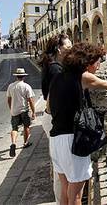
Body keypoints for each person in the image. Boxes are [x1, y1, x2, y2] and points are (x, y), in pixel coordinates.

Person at [49, 43, 107, 205]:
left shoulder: (57, 77)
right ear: (87, 62)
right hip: (72, 141)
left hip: (56, 140)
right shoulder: (83, 77)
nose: (99, 65)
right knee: (76, 194)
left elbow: (48, 107)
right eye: (98, 61)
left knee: (65, 189)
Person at [39, 34, 72, 204]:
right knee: (62, 170)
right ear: (59, 49)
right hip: (54, 118)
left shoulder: (52, 66)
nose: (71, 48)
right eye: (68, 46)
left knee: (59, 166)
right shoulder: (56, 69)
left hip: (51, 117)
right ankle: (61, 201)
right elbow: (54, 97)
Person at [6, 68, 36, 157]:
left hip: (14, 111)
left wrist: (11, 108)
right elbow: (30, 100)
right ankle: (25, 143)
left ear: (16, 76)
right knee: (26, 126)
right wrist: (33, 112)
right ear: (23, 76)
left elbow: (8, 99)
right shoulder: (26, 86)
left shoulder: (11, 86)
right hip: (24, 110)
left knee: (14, 128)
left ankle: (13, 143)